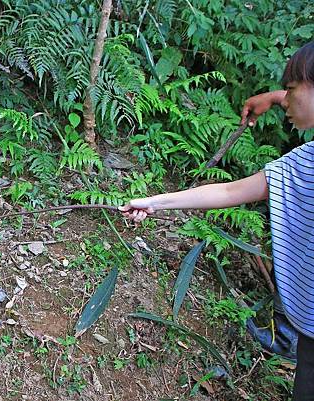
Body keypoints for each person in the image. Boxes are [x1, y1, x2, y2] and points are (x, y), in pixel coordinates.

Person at [119, 41, 314, 401]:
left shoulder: (306, 164)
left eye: (290, 89)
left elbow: (229, 193)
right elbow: (226, 193)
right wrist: (153, 201)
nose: (285, 100)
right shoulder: (303, 161)